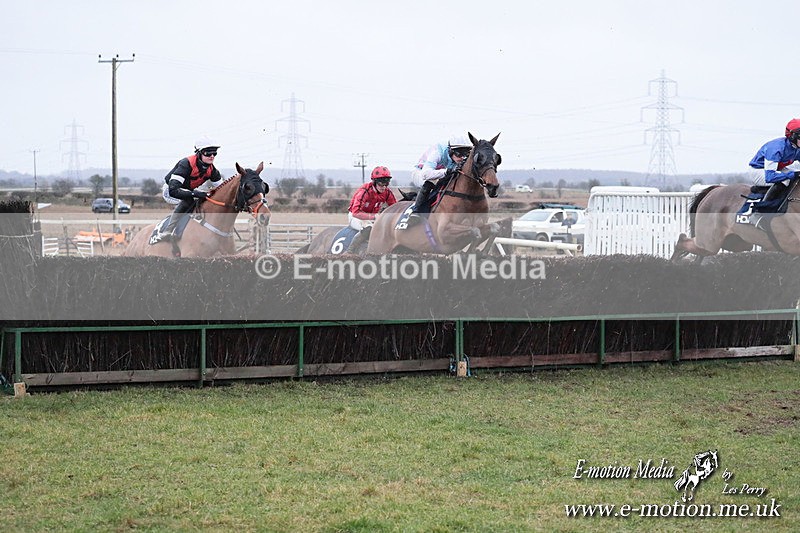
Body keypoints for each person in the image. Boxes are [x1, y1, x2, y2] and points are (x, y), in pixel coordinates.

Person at [158, 137, 223, 240]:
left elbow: (222, 189)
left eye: (214, 153)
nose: (212, 156)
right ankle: (168, 230)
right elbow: (174, 190)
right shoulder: (186, 164)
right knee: (189, 200)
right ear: (199, 153)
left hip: (187, 190)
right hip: (170, 191)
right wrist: (195, 194)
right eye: (208, 153)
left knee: (204, 199)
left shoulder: (212, 170)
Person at [406, 134, 473, 222]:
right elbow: (425, 174)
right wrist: (446, 171)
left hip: (439, 174)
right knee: (430, 182)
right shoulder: (438, 153)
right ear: (450, 151)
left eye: (466, 154)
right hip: (420, 173)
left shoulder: (457, 157)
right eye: (459, 154)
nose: (462, 158)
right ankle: (416, 211)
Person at [748, 118, 800, 211]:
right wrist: (793, 174)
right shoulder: (776, 148)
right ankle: (761, 210)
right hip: (759, 171)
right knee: (785, 180)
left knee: (794, 176)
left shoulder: (797, 148)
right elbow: (770, 177)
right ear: (792, 136)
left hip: (777, 170)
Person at [345, 165, 397, 252]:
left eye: (386, 183)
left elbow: (394, 207)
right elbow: (355, 212)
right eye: (381, 183)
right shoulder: (364, 191)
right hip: (355, 217)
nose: (383, 186)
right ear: (374, 182)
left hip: (372, 218)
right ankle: (349, 251)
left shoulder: (387, 193)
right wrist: (374, 216)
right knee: (369, 229)